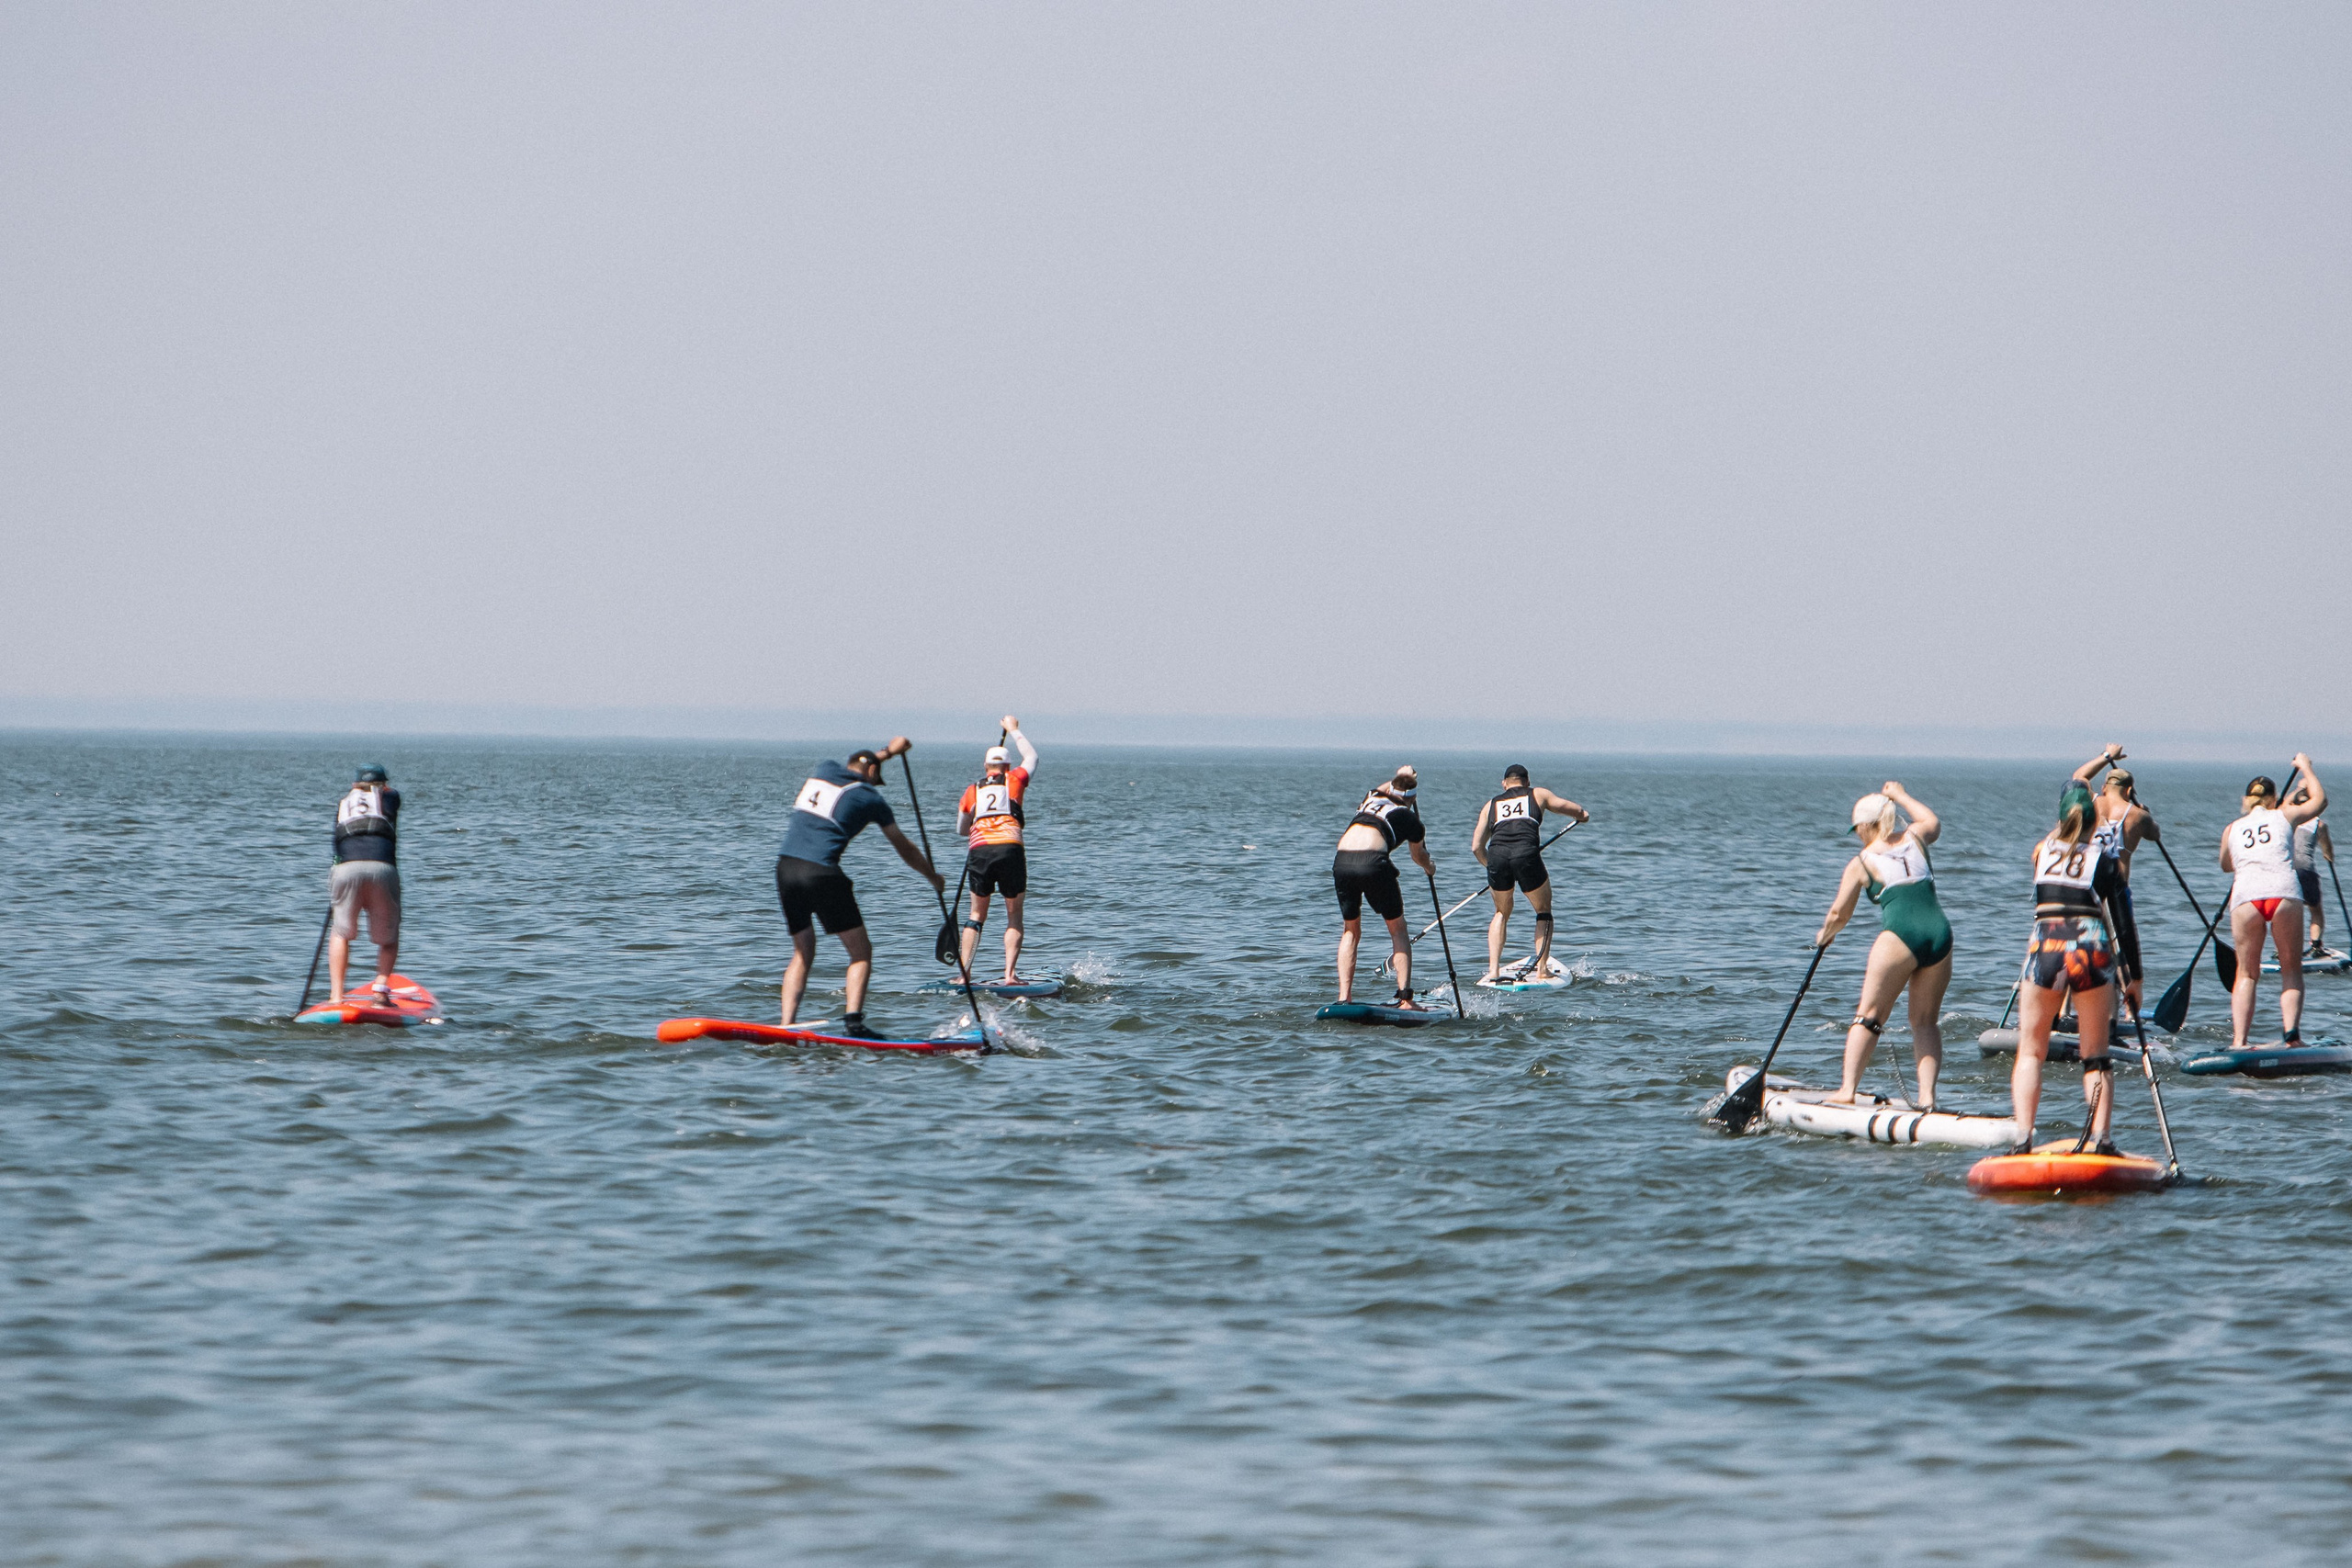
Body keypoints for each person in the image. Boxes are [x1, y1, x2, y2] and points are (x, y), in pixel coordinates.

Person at [775, 738, 945, 1037]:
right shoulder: (871, 798)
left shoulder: (824, 768)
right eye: (876, 778)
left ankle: (786, 1024)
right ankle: (853, 1023)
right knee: (861, 953)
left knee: (802, 952)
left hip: (785, 869)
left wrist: (889, 752)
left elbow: (863, 763)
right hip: (821, 873)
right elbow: (903, 847)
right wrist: (932, 877)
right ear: (871, 774)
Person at [1812, 783, 1953, 1109]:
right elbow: (1932, 821)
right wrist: (1902, 795)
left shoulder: (1862, 861)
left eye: (1858, 828)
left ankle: (1847, 1090)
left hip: (1900, 936)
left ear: (1868, 826)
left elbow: (1839, 913)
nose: (1857, 834)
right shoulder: (1916, 838)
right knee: (1925, 1021)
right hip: (1940, 934)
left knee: (1869, 1016)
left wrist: (1825, 934)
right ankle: (1928, 1098)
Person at [2009, 781, 2124, 1154]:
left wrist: (2071, 809)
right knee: (2096, 1056)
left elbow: (2060, 835)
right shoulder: (2106, 863)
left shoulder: (2041, 853)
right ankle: (2101, 1140)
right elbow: (2124, 925)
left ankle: (2024, 1137)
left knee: (2030, 1051)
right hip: (2091, 950)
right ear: (2095, 823)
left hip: (2046, 948)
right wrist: (2134, 979)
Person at [2222, 759, 2329, 1050]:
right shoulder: (2284, 815)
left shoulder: (2233, 828)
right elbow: (2321, 801)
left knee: (2246, 973)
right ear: (2273, 799)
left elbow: (2226, 865)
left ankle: (2239, 1041)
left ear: (2246, 800)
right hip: (2283, 893)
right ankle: (2292, 1037)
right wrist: (2305, 766)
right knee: (2291, 969)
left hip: (2245, 898)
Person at [1469, 765, 1590, 983]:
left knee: (1501, 912)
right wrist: (1582, 815)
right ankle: (1542, 969)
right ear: (1527, 782)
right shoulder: (1538, 794)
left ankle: (1494, 970)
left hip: (1497, 857)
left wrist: (1491, 867)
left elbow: (1477, 847)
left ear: (1504, 783)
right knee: (1543, 910)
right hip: (1526, 856)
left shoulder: (1491, 804)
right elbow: (1572, 809)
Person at [1334, 767, 1435, 1008]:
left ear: (1391, 788)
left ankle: (1344, 997)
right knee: (1397, 929)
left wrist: (1401, 773)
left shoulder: (1372, 796)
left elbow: (1386, 787)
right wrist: (1429, 866)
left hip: (1342, 861)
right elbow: (1417, 856)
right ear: (1413, 799)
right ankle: (1406, 1000)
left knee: (1350, 931)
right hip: (1372, 862)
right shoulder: (1411, 818)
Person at [955, 716, 1039, 985]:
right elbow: (1032, 757)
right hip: (1010, 850)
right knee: (1014, 914)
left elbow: (961, 829)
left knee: (976, 915)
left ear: (985, 766)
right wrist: (1013, 729)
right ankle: (1010, 975)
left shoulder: (971, 791)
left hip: (980, 851)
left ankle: (964, 975)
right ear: (1007, 766)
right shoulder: (1015, 779)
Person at [328, 764, 401, 1004]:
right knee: (388, 938)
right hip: (382, 868)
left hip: (345, 869)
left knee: (340, 933)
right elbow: (390, 794)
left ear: (353, 786)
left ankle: (336, 996)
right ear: (384, 785)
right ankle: (380, 990)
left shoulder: (342, 804)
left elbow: (337, 840)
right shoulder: (390, 798)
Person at [2288, 786, 2335, 954]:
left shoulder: (2288, 821)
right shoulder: (2319, 824)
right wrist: (2329, 856)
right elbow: (2328, 851)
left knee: (2290, 911)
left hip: (2287, 872)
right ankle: (2316, 946)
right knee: (2316, 909)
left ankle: (2285, 948)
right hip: (2306, 871)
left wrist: (2298, 788)